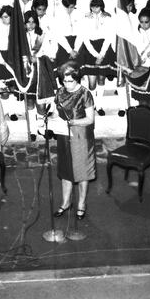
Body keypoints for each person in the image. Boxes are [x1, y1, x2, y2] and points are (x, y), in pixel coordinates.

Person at [52, 63, 96, 221]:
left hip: (81, 137)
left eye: (70, 81)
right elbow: (56, 111)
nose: (67, 84)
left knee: (82, 172)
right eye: (64, 81)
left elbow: (90, 119)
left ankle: (81, 204)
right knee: (65, 171)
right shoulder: (60, 91)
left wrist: (73, 122)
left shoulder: (85, 94)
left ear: (77, 79)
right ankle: (65, 203)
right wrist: (51, 119)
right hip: (64, 135)